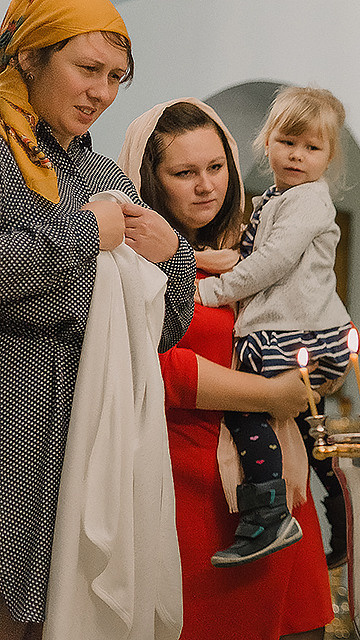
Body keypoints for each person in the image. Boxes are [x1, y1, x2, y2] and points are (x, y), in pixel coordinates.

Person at [0, 1, 195, 636]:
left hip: (84, 445)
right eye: (88, 69)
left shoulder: (95, 169)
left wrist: (175, 256)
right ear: (30, 56)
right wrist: (90, 237)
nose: (102, 93)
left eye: (117, 77)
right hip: (14, 434)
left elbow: (161, 328)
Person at [119, 97, 334, 640]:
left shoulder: (255, 249)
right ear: (150, 179)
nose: (206, 186)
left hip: (275, 481)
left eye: (216, 168)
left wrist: (315, 373)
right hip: (189, 486)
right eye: (184, 173)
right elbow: (158, 368)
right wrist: (272, 397)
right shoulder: (129, 261)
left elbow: (305, 336)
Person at [193, 85, 353, 567]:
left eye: (312, 147)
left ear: (329, 156)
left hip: (294, 333)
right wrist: (200, 258)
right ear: (267, 142)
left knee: (248, 409)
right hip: (304, 331)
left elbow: (274, 261)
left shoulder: (307, 202)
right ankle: (344, 507)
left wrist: (211, 291)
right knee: (308, 425)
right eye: (288, 142)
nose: (298, 155)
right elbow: (249, 252)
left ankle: (268, 510)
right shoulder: (275, 200)